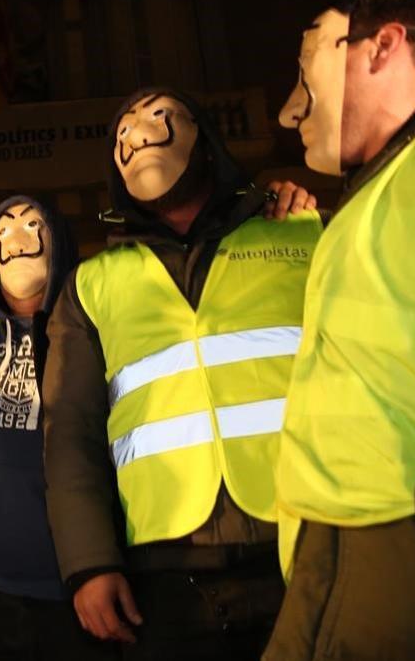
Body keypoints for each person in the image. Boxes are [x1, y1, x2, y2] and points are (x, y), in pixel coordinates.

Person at [41, 87, 322, 660]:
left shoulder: (301, 233)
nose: (138, 134)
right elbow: (70, 432)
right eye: (121, 132)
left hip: (308, 544)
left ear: (206, 138)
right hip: (166, 573)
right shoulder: (92, 284)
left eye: (158, 117)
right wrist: (89, 563)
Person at [265, 0, 415, 658]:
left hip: (407, 553)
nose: (291, 110)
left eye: (309, 59)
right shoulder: (385, 186)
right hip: (332, 565)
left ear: (383, 45)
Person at [0, 195, 116, 661]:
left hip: (79, 594)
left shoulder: (98, 330)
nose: (16, 238)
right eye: (2, 231)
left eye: (32, 226)